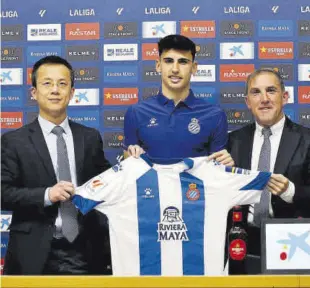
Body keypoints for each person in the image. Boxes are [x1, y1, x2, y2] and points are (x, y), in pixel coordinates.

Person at [1, 56, 112, 275]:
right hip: (33, 252)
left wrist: (133, 163)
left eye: (62, 84)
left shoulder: (89, 138)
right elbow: (3, 194)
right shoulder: (14, 141)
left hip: (85, 251)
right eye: (47, 83)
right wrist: (47, 194)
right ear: (34, 92)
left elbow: (107, 184)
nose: (55, 90)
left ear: (72, 93)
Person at [227, 68, 310, 274]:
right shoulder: (234, 141)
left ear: (285, 97)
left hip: (291, 241)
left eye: (271, 91)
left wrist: (291, 191)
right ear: (248, 102)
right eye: (256, 92)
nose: (264, 99)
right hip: (241, 243)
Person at [124, 34, 233, 166]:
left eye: (183, 62)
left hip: (194, 187)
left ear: (194, 67)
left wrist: (226, 164)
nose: (175, 69)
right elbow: (128, 165)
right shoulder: (136, 112)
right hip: (150, 187)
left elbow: (218, 170)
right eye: (168, 61)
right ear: (158, 66)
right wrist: (130, 156)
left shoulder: (215, 115)